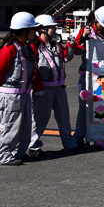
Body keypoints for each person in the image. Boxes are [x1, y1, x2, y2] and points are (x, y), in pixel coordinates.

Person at [0, 12, 43, 166]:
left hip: (24, 94)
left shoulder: (26, 47)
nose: (35, 33)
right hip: (11, 96)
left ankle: (20, 152)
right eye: (33, 29)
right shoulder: (10, 49)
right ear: (24, 31)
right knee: (11, 127)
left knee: (25, 127)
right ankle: (4, 156)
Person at [29, 14, 77, 156]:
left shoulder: (55, 45)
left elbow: (66, 58)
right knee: (40, 119)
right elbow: (33, 70)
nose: (55, 30)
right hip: (44, 89)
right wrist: (37, 88)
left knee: (64, 118)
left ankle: (69, 145)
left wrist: (71, 45)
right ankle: (33, 147)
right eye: (52, 28)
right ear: (42, 29)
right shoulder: (34, 47)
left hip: (59, 87)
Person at [71, 5, 104, 148]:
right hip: (87, 76)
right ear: (95, 20)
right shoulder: (86, 31)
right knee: (85, 108)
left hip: (103, 77)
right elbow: (76, 50)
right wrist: (84, 37)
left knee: (103, 106)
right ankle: (79, 137)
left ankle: (99, 136)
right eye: (102, 24)